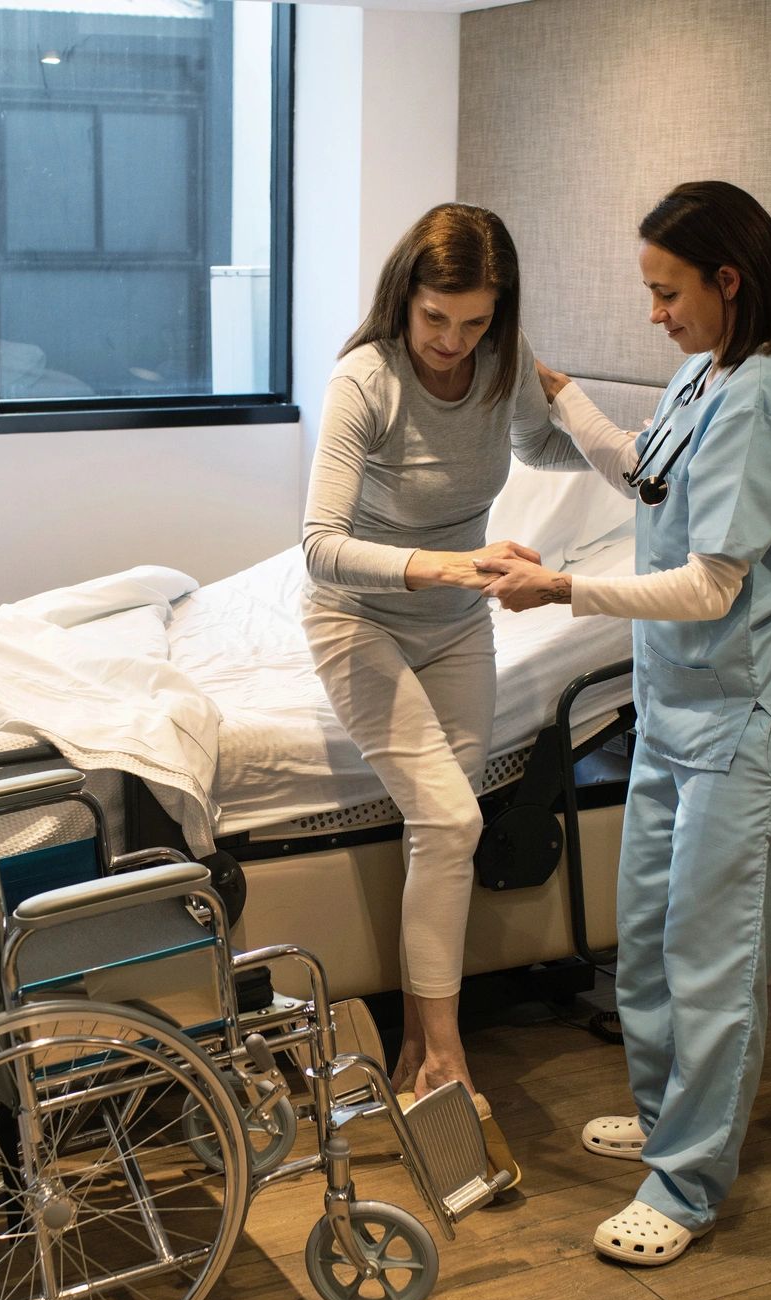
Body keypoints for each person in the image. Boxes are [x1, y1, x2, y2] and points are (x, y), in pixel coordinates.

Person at [476, 181, 771, 1265]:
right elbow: (643, 474)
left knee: (710, 957)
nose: (655, 314)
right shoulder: (705, 372)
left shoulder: (766, 398)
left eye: (665, 291)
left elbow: (709, 586)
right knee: (643, 931)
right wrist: (548, 384)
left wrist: (564, 595)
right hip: (679, 709)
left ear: (727, 280)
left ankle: (686, 1181)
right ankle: (663, 1111)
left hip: (752, 722)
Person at [301, 202, 579, 1180]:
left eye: (473, 323)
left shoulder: (500, 361)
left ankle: (421, 1053)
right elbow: (320, 546)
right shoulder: (363, 380)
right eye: (435, 320)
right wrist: (449, 567)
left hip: (457, 628)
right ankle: (448, 1054)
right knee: (454, 822)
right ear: (403, 300)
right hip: (359, 618)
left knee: (442, 827)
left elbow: (541, 445)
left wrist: (602, 429)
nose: (453, 344)